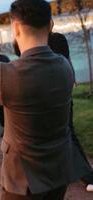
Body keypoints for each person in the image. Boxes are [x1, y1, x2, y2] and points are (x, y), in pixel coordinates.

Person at [0, 0, 92, 199]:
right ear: (50, 25)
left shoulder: (8, 74)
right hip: (59, 170)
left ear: (15, 28)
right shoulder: (65, 67)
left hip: (23, 179)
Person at [48, 32, 93, 192]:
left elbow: (61, 60)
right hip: (57, 93)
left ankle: (89, 176)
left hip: (59, 94)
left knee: (68, 135)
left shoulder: (54, 39)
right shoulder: (53, 40)